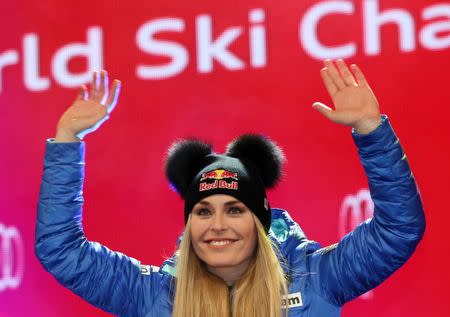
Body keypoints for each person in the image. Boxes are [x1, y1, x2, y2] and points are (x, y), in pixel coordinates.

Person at [35, 59, 426, 317]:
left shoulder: (317, 279)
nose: (217, 224)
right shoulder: (157, 297)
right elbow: (61, 250)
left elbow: (398, 230)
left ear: (260, 221)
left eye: (235, 209)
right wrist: (67, 140)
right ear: (189, 225)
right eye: (203, 211)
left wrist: (371, 132)